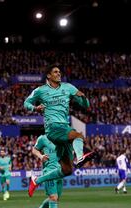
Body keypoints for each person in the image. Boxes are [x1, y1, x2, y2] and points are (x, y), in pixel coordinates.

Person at [24, 65, 95, 197]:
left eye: (60, 72)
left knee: (67, 170)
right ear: (48, 76)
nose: (59, 74)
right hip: (53, 128)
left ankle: (36, 180)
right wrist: (35, 108)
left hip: (63, 127)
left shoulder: (68, 87)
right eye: (55, 72)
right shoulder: (40, 90)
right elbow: (26, 103)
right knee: (77, 135)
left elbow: (86, 105)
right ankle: (80, 157)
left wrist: (84, 97)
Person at [32, 135, 69, 208]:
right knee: (53, 198)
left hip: (59, 172)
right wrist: (41, 156)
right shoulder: (42, 138)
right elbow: (34, 150)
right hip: (48, 172)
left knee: (55, 199)